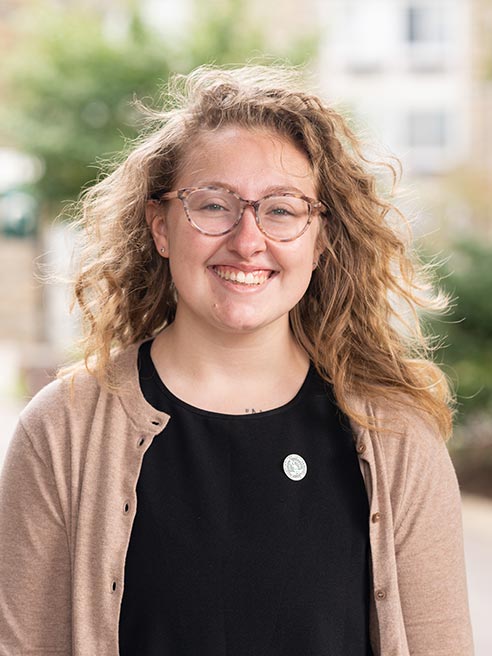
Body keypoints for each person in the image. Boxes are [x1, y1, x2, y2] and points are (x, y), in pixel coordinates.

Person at [0, 65, 473, 655]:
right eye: (214, 205)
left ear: (320, 239)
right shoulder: (62, 432)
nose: (248, 240)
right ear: (161, 227)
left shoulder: (397, 438)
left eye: (281, 209)